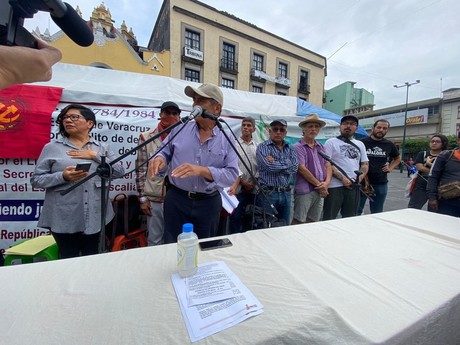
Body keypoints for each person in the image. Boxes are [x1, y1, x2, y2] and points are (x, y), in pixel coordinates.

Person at [30, 105, 125, 259]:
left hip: (95, 215)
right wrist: (63, 177)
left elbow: (119, 172)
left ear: (90, 123)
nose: (68, 120)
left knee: (92, 258)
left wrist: (95, 156)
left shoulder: (102, 148)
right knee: (68, 259)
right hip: (64, 216)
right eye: (65, 118)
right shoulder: (52, 148)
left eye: (74, 117)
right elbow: (36, 180)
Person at [149, 83, 238, 243]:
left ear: (217, 108)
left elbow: (231, 175)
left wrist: (202, 170)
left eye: (201, 100)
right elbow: (163, 152)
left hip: (208, 203)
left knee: (204, 248)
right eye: (194, 100)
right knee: (171, 245)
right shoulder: (179, 129)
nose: (194, 104)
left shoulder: (228, 138)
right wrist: (160, 159)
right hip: (177, 199)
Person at [135, 101, 181, 245]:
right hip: (155, 195)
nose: (171, 116)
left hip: (179, 195)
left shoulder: (185, 137)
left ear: (179, 117)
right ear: (160, 115)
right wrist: (143, 198)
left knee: (177, 237)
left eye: (175, 113)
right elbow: (140, 169)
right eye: (167, 113)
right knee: (155, 238)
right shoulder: (147, 137)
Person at [322, 115, 369, 220]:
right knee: (329, 217)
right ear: (340, 127)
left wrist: (358, 178)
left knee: (350, 218)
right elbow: (327, 164)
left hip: (354, 186)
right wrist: (343, 179)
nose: (348, 126)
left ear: (356, 128)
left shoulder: (360, 144)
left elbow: (365, 164)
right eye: (345, 123)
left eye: (352, 124)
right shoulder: (331, 142)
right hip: (334, 187)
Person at [256, 119, 298, 226]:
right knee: (266, 226)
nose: (278, 132)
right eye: (275, 129)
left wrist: (276, 162)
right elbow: (269, 166)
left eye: (282, 129)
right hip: (269, 194)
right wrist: (287, 162)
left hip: (287, 193)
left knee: (284, 227)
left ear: (285, 133)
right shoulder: (262, 147)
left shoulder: (290, 148)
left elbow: (295, 168)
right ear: (270, 131)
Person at [292, 114, 332, 224]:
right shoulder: (298, 147)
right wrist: (320, 186)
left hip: (320, 189)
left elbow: (328, 165)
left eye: (316, 126)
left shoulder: (321, 146)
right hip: (305, 190)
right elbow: (302, 168)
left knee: (313, 221)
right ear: (303, 129)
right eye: (310, 126)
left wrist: (326, 184)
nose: (313, 129)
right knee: (299, 220)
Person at [358, 119, 401, 215]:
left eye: (384, 128)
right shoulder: (361, 143)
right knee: (357, 210)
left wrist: (390, 168)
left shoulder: (389, 144)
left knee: (377, 212)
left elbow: (397, 158)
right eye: (379, 127)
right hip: (362, 182)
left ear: (387, 130)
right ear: (373, 128)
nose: (381, 130)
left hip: (381, 182)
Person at [228, 116, 259, 233]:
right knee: (235, 218)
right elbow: (232, 164)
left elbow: (260, 166)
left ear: (254, 129)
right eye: (244, 125)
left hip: (253, 189)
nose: (245, 127)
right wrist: (243, 182)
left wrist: (253, 181)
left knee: (250, 217)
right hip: (238, 188)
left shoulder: (257, 146)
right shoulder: (234, 144)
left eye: (249, 125)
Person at [408, 134, 448, 211]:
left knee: (434, 209)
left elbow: (446, 170)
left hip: (437, 186)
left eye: (437, 142)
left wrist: (429, 164)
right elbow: (419, 167)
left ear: (443, 143)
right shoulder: (423, 154)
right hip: (421, 184)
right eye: (432, 141)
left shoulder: (446, 155)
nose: (434, 143)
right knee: (413, 208)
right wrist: (435, 171)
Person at [427, 132, 460, 217]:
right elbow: (433, 177)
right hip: (447, 203)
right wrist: (432, 198)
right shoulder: (445, 156)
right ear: (458, 141)